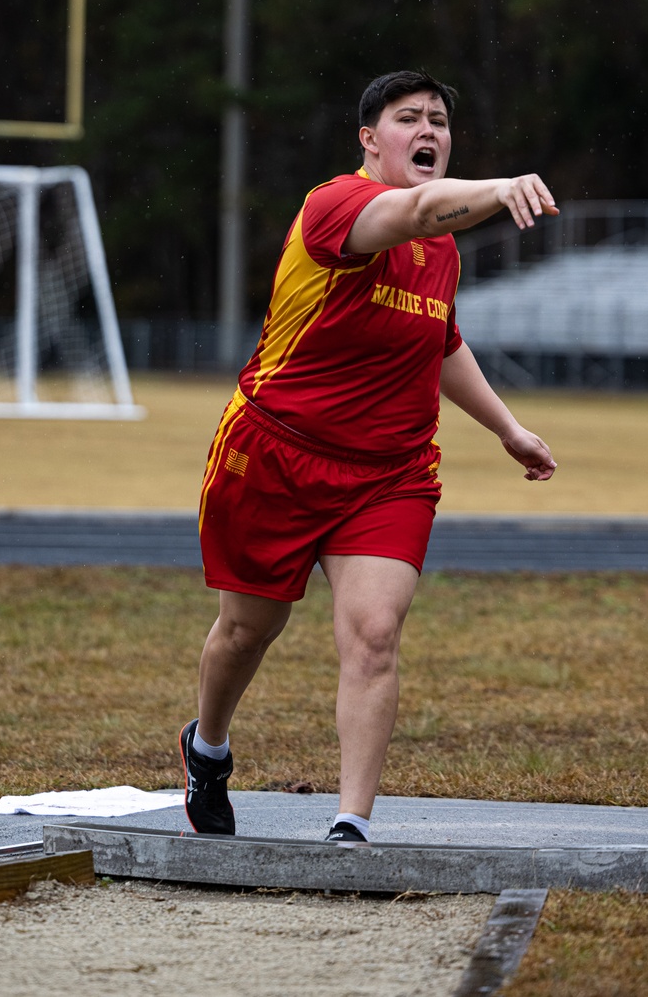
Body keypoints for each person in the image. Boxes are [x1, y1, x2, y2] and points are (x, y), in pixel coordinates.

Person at [179, 69, 558, 843]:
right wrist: (500, 187)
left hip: (390, 472)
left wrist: (506, 428)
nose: (429, 131)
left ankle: (351, 823)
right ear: (369, 138)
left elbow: (440, 339)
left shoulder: (440, 249)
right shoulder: (336, 207)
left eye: (440, 122)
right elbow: (415, 209)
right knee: (249, 630)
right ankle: (208, 746)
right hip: (278, 452)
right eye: (409, 118)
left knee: (375, 631)